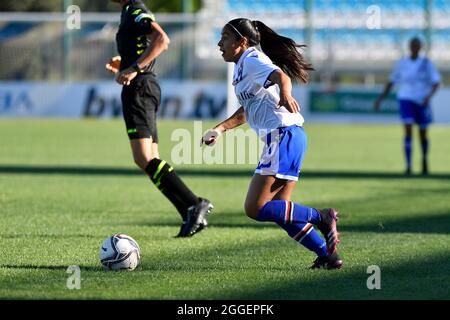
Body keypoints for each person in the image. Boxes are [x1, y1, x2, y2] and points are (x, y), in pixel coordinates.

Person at [201, 18, 342, 269]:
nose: (219, 43)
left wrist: (285, 93)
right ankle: (327, 256)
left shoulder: (253, 59)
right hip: (289, 137)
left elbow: (281, 76)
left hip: (283, 136)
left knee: (255, 208)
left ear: (242, 41)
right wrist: (220, 129)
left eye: (224, 37)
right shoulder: (242, 67)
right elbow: (248, 109)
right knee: (280, 211)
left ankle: (322, 216)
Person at [106, 0, 213, 237]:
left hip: (140, 89)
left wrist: (134, 67)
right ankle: (189, 210)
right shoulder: (128, 12)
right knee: (150, 158)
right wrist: (124, 64)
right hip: (142, 87)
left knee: (144, 157)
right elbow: (142, 45)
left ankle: (195, 203)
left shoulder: (135, 10)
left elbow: (162, 40)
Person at [374, 37, 441, 175]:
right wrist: (380, 99)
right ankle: (409, 165)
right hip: (405, 99)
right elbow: (391, 82)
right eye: (412, 45)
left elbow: (436, 82)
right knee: (408, 130)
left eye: (416, 46)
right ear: (409, 47)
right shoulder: (402, 63)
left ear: (420, 47)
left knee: (423, 134)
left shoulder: (426, 63)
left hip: (422, 101)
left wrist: (428, 96)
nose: (414, 48)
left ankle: (424, 160)